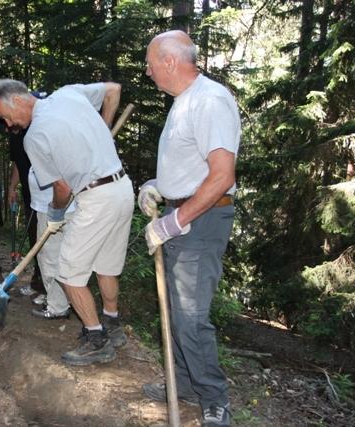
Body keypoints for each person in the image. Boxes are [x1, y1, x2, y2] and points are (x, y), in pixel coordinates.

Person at [0, 79, 134, 366]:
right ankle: (112, 324)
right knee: (106, 267)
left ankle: (96, 340)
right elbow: (113, 90)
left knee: (68, 273)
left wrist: (55, 212)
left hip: (96, 199)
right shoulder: (69, 93)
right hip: (122, 189)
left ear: (17, 100)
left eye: (6, 117)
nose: (8, 124)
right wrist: (105, 127)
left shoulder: (34, 136)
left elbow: (62, 189)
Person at [138, 30, 240, 427]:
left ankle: (214, 398)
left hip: (201, 221)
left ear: (169, 61)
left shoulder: (209, 100)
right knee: (178, 313)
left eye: (150, 64)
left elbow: (222, 176)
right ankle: (182, 383)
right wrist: (159, 187)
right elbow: (190, 167)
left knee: (191, 317)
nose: (148, 72)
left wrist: (175, 221)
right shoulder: (184, 102)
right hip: (185, 217)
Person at [28, 167, 75, 319]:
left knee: (50, 259)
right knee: (59, 257)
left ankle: (57, 307)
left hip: (54, 209)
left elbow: (62, 185)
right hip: (59, 207)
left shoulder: (44, 151)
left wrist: (55, 212)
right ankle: (63, 300)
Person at [7, 128, 45, 298]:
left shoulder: (36, 128)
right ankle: (38, 284)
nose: (7, 125)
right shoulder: (13, 136)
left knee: (45, 243)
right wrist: (12, 187)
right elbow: (17, 162)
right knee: (34, 240)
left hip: (46, 197)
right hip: (30, 197)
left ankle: (49, 290)